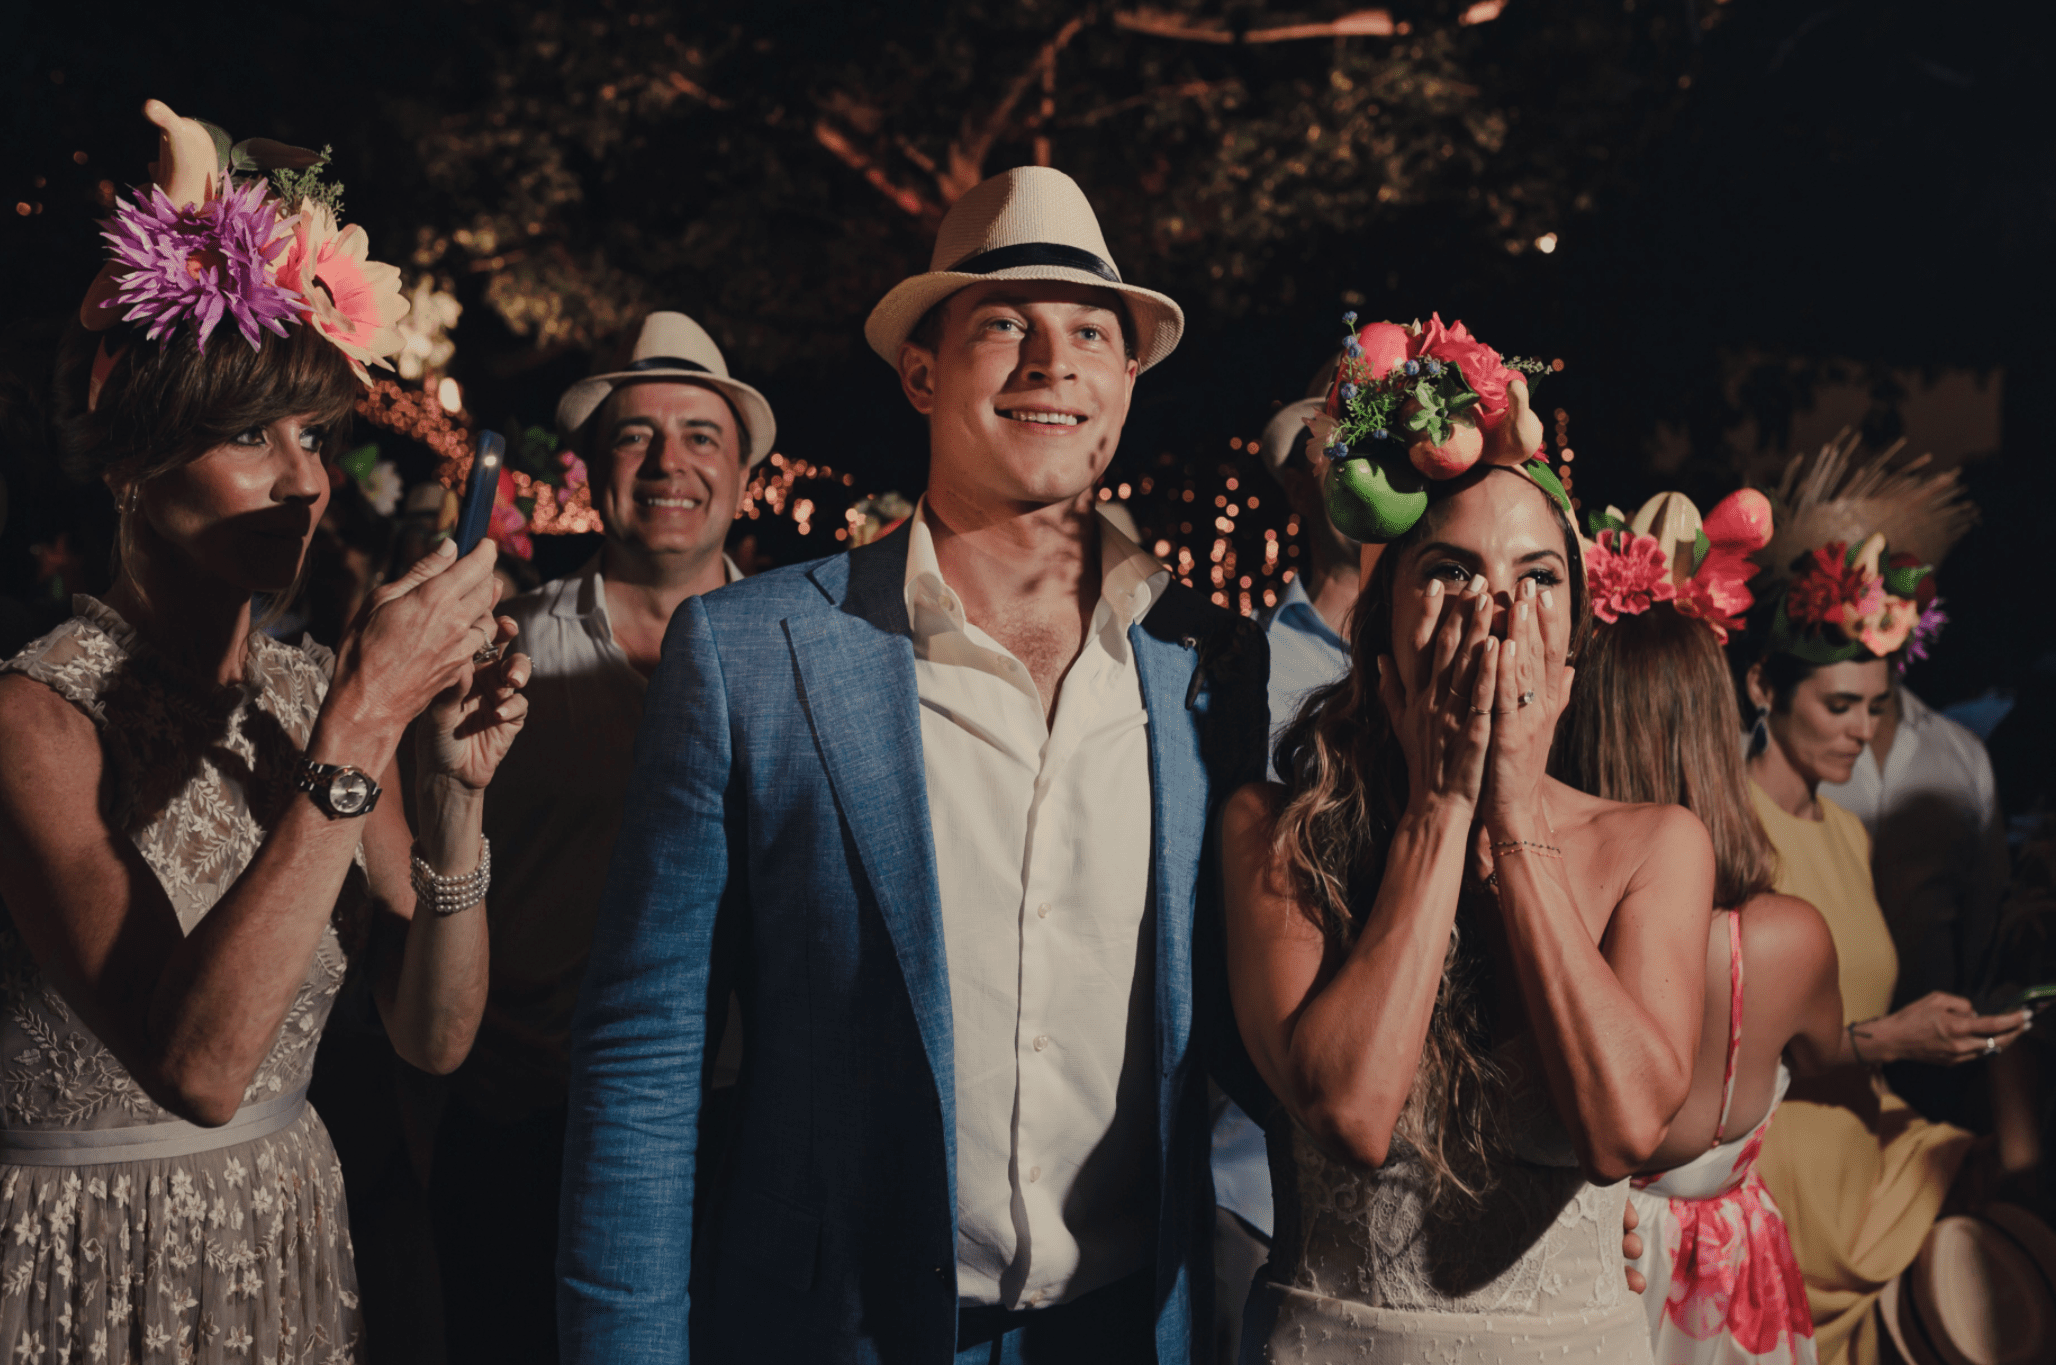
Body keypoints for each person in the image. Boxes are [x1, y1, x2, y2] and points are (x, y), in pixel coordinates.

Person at [556, 166, 1268, 1363]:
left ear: (1125, 380)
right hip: (838, 1332)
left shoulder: (1208, 665)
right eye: (1004, 325)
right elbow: (644, 1052)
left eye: (1090, 333)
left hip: (1131, 1330)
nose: (1053, 363)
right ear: (922, 372)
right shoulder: (750, 654)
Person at [0, 100, 528, 1363]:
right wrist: (358, 736)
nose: (304, 481)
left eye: (313, 437)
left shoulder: (307, 693)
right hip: (87, 1250)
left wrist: (452, 800)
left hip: (280, 1224)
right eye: (249, 436)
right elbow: (195, 1068)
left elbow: (433, 1035)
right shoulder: (34, 718)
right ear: (134, 462)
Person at [1224, 314, 1710, 1363]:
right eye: (1449, 572)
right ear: (1382, 620)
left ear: (1576, 633)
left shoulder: (1654, 845)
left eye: (1537, 578)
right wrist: (1442, 809)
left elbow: (1624, 1129)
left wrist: (1515, 814)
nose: (1496, 611)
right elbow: (1350, 1111)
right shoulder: (1272, 830)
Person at [431, 310, 770, 1363]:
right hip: (528, 1119)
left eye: (700, 436)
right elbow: (423, 867)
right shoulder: (501, 649)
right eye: (636, 436)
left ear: (745, 477)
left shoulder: (796, 658)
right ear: (592, 470)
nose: (669, 462)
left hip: (732, 1127)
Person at [1732, 442, 2028, 1365]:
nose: (1864, 729)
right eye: (1839, 705)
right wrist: (1892, 1038)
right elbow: (1729, 1050)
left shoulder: (1850, 835)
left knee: (2017, 1219)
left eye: (1877, 705)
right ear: (1763, 690)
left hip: (1873, 1131)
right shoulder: (1726, 832)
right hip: (1782, 1168)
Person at [1557, 487, 1844, 1364]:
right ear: (1716, 734)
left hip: (1570, 1271)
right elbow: (1835, 1062)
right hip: (1721, 1293)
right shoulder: (1786, 941)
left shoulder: (1546, 928)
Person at [1202, 356, 1363, 1359]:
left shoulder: (1483, 663)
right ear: (1299, 472)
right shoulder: (1239, 669)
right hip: (1253, 1170)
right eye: (1336, 441)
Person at [1819, 676, 2014, 1129]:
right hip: (1812, 1054)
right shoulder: (1766, 765)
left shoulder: (1960, 752)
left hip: (1938, 1054)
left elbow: (1986, 916)